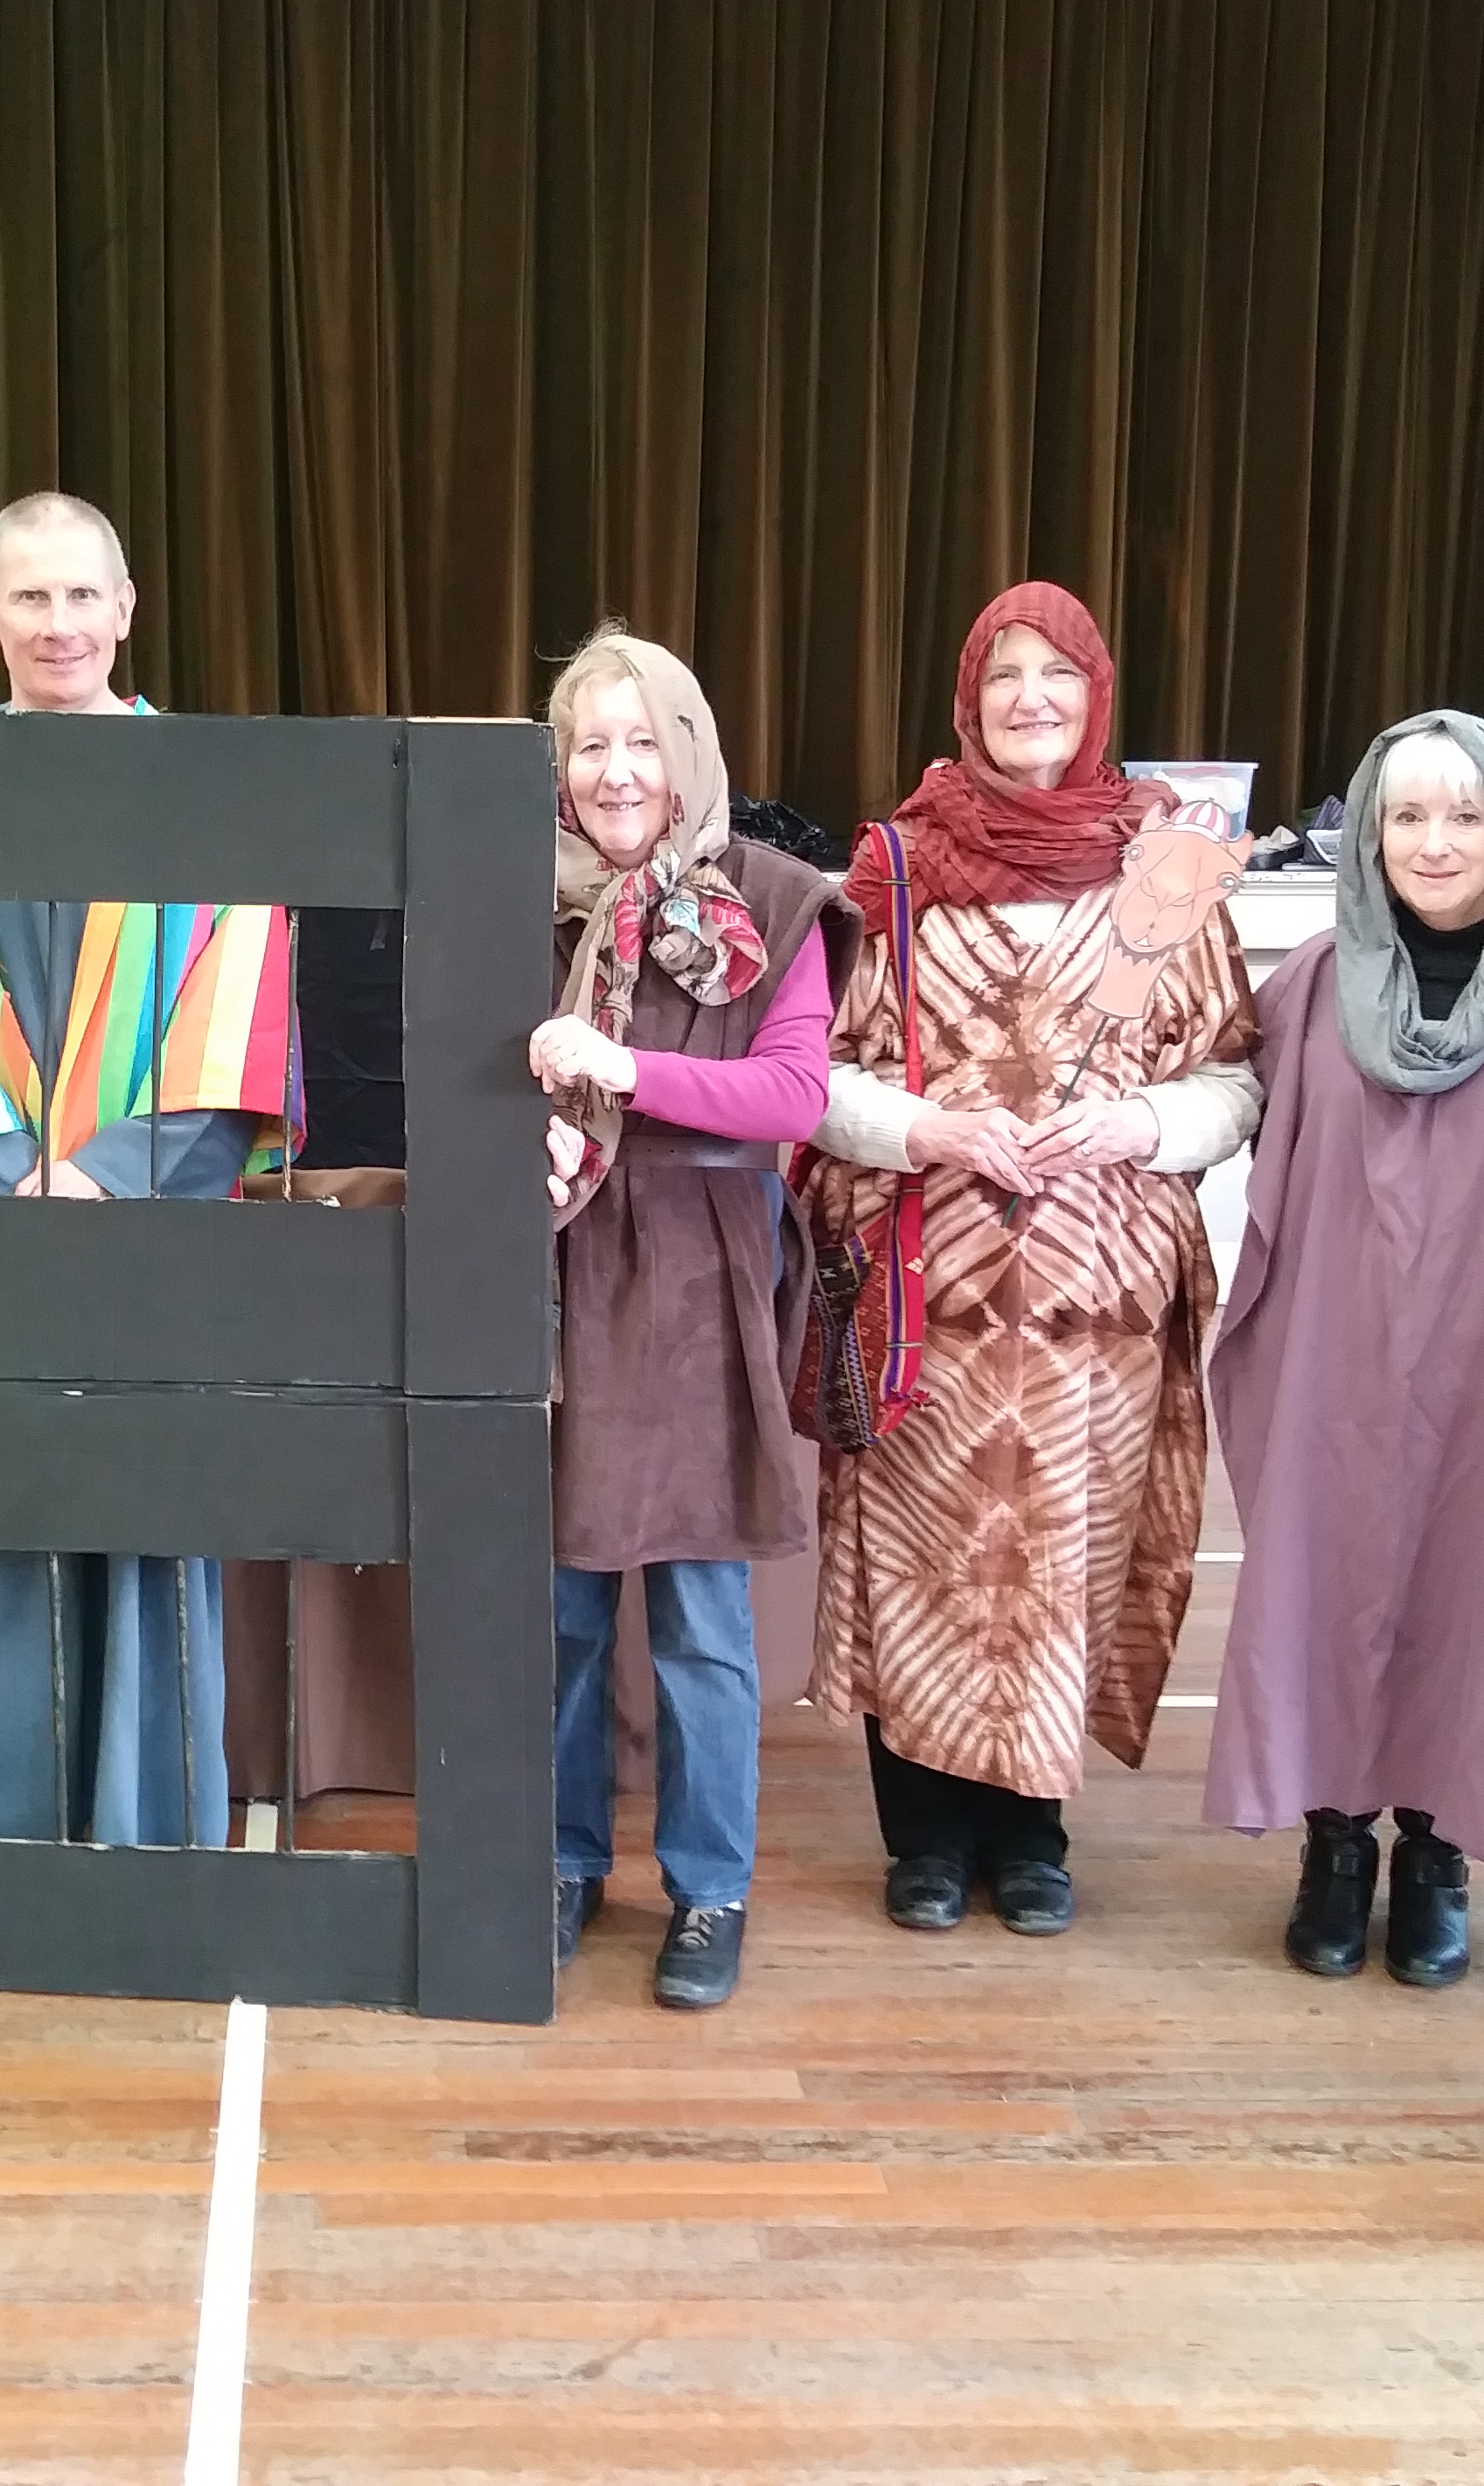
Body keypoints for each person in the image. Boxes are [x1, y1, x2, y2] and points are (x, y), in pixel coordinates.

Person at [0, 492, 294, 1848]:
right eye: (30, 596)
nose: (60, 622)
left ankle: (149, 1837)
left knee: (150, 1524)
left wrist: (107, 1175)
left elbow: (238, 1012)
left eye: (84, 594)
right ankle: (10, 1846)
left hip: (152, 1240)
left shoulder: (210, 797)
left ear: (127, 608)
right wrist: (11, 1188)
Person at [799, 582, 1261, 1937]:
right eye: (1003, 674)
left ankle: (1033, 1834)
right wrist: (928, 1127)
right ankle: (925, 1838)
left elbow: (1235, 1077)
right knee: (923, 1551)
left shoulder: (1166, 870)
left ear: (1095, 695)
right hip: (927, 1288)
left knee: (1060, 1557)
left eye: (1055, 673)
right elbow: (814, 1076)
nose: (1029, 699)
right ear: (968, 698)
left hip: (1096, 1303)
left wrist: (1140, 1123)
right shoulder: (893, 869)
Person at [1201, 712, 1484, 1987]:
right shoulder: (1307, 989)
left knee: (1477, 1591)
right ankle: (1336, 1842)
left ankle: (1439, 1850)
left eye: (1465, 816)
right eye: (1406, 816)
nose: (1435, 842)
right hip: (1333, 1355)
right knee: (1327, 1579)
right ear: (1369, 836)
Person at [531, 630, 856, 2010]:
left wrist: (625, 1071)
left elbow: (793, 1096)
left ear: (690, 753)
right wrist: (519, 1138)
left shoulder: (774, 898)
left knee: (701, 1622)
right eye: (588, 745)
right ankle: (560, 1863)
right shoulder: (518, 896)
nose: (617, 773)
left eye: (642, 741)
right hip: (557, 1269)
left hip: (702, 1277)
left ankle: (709, 1888)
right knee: (558, 1612)